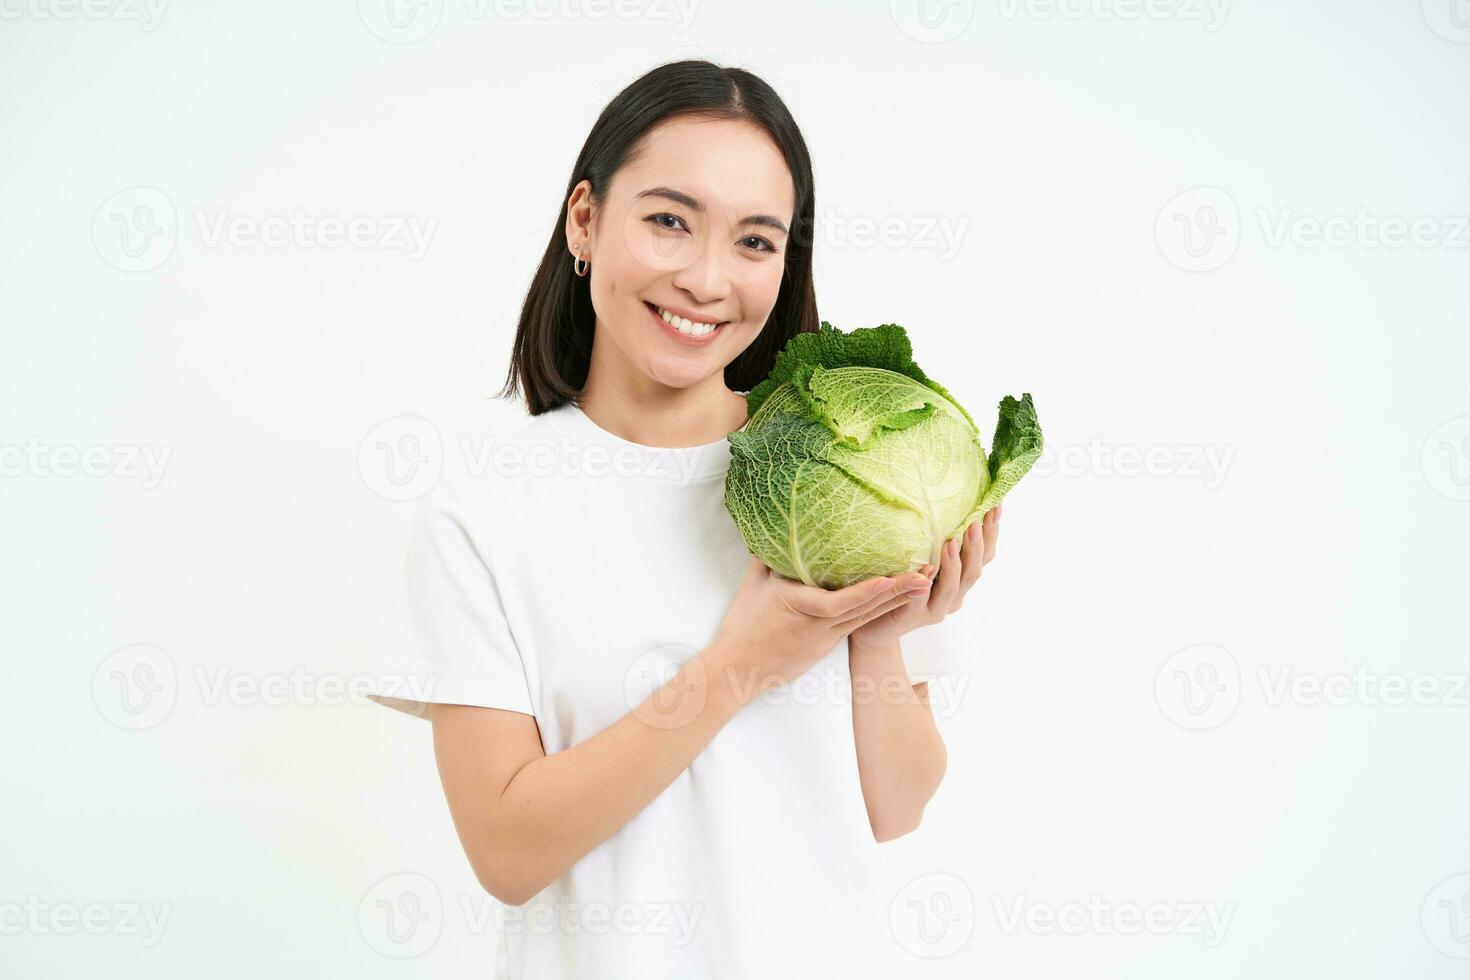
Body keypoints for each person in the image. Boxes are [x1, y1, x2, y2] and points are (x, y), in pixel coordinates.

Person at [368, 58, 1001, 980]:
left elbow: (896, 808)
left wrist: (880, 635)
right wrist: (740, 666)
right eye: (669, 221)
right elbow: (506, 851)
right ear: (585, 219)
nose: (708, 279)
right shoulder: (485, 516)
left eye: (754, 242)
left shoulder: (843, 473)